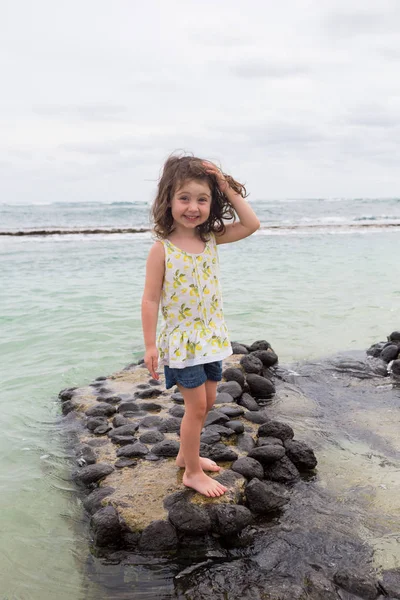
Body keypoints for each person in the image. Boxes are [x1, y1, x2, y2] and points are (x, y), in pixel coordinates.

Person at [141, 155, 260, 497]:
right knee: (195, 408)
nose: (193, 207)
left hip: (210, 339)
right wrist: (151, 345)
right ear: (168, 201)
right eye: (184, 198)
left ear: (212, 202)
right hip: (182, 343)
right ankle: (192, 472)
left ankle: (184, 455)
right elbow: (150, 300)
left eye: (202, 199)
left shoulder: (211, 239)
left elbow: (251, 224)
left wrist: (225, 185)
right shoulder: (161, 250)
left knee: (207, 403)